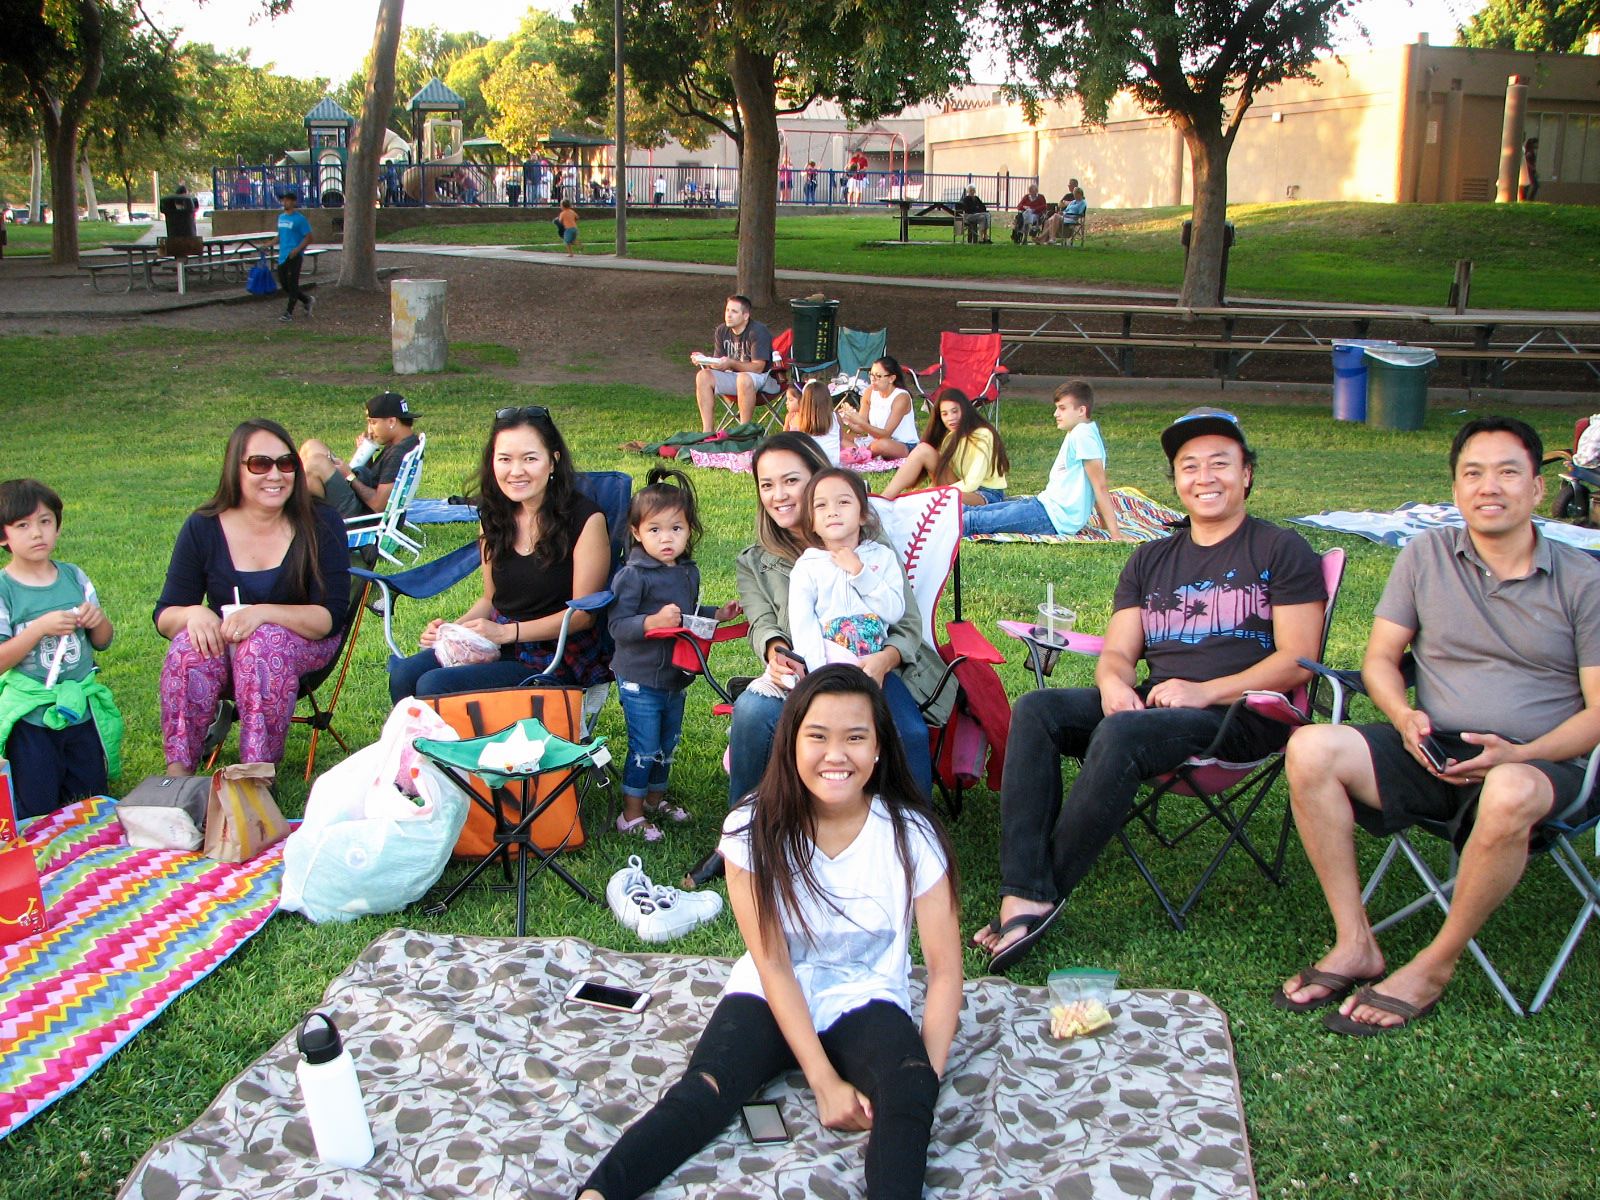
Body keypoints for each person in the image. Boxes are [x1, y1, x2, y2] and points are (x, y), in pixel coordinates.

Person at [578, 665, 963, 1200]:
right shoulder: (749, 829)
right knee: (705, 1091)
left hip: (865, 994)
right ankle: (597, 1194)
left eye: (856, 737)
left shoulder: (911, 834)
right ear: (790, 743)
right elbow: (774, 962)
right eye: (818, 736)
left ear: (879, 748)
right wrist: (825, 1083)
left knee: (908, 1086)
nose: (837, 755)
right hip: (769, 991)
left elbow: (945, 973)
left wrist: (925, 1083)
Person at [970, 407, 1326, 972]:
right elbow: (1118, 652)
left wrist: (1206, 692)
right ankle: (1023, 884)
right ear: (1176, 480)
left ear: (1247, 474)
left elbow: (1298, 662)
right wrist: (1113, 683)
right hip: (1158, 708)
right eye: (1190, 467)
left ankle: (1039, 896)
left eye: (1220, 464)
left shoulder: (1281, 551)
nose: (1204, 477)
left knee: (1125, 733)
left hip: (1240, 715)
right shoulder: (1151, 557)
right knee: (1038, 708)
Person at [1276, 416, 1600, 1034]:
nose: (1489, 487)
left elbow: (1598, 713)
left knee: (1508, 788)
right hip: (1434, 747)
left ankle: (1436, 963)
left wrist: (1518, 753)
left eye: (1508, 472)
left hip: (1546, 760)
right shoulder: (1425, 556)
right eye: (1472, 474)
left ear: (1537, 487)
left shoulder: (1585, 581)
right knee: (1312, 746)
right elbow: (1378, 660)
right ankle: (1354, 942)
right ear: (1455, 489)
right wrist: (1401, 715)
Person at [718, 433, 949, 820]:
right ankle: (744, 830)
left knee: (908, 733)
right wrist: (775, 651)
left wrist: (883, 661)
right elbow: (761, 623)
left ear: (818, 478)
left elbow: (906, 620)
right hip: (802, 669)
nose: (780, 495)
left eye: (791, 480)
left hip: (874, 665)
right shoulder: (755, 561)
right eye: (767, 485)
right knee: (753, 712)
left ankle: (915, 833)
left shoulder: (868, 543)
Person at [154, 420, 350, 776]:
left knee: (263, 642)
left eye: (286, 463)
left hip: (302, 647)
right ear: (236, 468)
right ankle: (178, 777)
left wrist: (263, 613)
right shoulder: (203, 526)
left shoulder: (321, 522)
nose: (275, 475)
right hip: (227, 647)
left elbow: (329, 618)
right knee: (187, 647)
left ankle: (257, 775)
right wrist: (194, 614)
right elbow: (165, 615)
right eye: (260, 464)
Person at [387, 406, 610, 703]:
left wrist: (506, 634)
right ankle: (419, 750)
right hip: (498, 642)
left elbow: (583, 616)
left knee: (435, 687)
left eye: (529, 458)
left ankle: (454, 750)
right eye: (504, 459)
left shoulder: (586, 519)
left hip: (555, 656)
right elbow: (490, 600)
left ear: (553, 461)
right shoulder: (494, 516)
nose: (516, 471)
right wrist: (453, 630)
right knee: (405, 675)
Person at [609, 468, 740, 841]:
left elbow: (688, 612)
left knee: (667, 743)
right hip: (640, 676)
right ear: (636, 532)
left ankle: (655, 800)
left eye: (676, 529)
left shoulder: (687, 571)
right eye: (655, 530)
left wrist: (717, 614)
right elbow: (618, 627)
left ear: (689, 530)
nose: (666, 539)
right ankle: (630, 815)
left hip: (675, 675)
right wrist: (651, 622)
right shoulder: (633, 575)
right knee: (645, 745)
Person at [0, 480, 121, 820]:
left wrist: (97, 620)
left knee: (91, 800)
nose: (36, 533)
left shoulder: (73, 577)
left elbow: (103, 641)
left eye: (45, 521)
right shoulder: (5, 589)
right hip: (32, 716)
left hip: (78, 707)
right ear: (3, 536)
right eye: (22, 525)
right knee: (36, 807)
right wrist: (39, 629)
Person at [963, 380, 1127, 540]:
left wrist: (1115, 534)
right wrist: (1104, 525)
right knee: (973, 512)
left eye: (1062, 408)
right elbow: (1094, 485)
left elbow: (1099, 485)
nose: (1056, 414)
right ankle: (939, 513)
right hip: (1043, 505)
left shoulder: (1083, 435)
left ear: (1081, 410)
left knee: (973, 521)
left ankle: (938, 527)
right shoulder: (1081, 431)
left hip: (1052, 518)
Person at [787, 467, 906, 673]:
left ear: (863, 514)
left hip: (876, 667)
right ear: (811, 522)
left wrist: (860, 573)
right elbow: (803, 627)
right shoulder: (808, 567)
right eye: (821, 505)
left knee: (900, 707)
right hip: (830, 666)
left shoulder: (882, 557)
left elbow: (894, 612)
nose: (833, 511)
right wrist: (819, 673)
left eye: (843, 502)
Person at [299, 391, 422, 519]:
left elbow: (378, 505)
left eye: (373, 423)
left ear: (391, 421)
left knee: (316, 464)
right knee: (312, 446)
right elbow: (374, 478)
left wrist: (349, 476)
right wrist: (366, 453)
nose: (370, 430)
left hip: (363, 516)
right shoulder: (404, 442)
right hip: (360, 503)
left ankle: (296, 516)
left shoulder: (399, 454)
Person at [879, 387, 1009, 506]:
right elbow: (941, 475)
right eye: (945, 414)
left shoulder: (983, 435)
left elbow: (972, 483)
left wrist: (932, 493)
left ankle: (899, 503)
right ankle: (882, 501)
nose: (951, 418)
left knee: (936, 498)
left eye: (955, 411)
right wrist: (923, 493)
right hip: (962, 487)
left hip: (987, 495)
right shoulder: (950, 438)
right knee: (923, 449)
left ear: (965, 410)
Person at [693, 294, 781, 434]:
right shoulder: (722, 330)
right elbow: (719, 362)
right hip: (732, 376)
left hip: (760, 378)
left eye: (734, 312)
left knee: (744, 378)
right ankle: (707, 432)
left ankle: (743, 432)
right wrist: (704, 360)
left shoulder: (757, 331)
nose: (728, 315)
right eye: (727, 310)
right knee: (703, 376)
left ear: (745, 315)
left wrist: (731, 363)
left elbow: (758, 367)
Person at [837, 356, 918, 461]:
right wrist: (847, 418)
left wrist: (860, 422)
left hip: (900, 445)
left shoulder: (901, 397)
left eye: (878, 376)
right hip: (872, 441)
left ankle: (858, 453)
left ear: (891, 378)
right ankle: (859, 453)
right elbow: (860, 429)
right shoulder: (869, 392)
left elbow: (886, 434)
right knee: (837, 436)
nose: (873, 379)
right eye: (871, 374)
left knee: (881, 445)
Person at [275, 189, 314, 323]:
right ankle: (306, 300)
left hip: (294, 256)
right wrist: (267, 244)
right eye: (283, 200)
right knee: (284, 284)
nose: (284, 202)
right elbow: (280, 236)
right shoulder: (281, 218)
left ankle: (288, 313)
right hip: (283, 255)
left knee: (292, 284)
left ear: (293, 202)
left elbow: (309, 238)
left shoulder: (300, 219)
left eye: (287, 200)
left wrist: (297, 250)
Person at [782, 380, 842, 466]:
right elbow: (839, 439)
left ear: (804, 401)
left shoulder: (799, 420)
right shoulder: (836, 417)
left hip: (812, 466)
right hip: (833, 464)